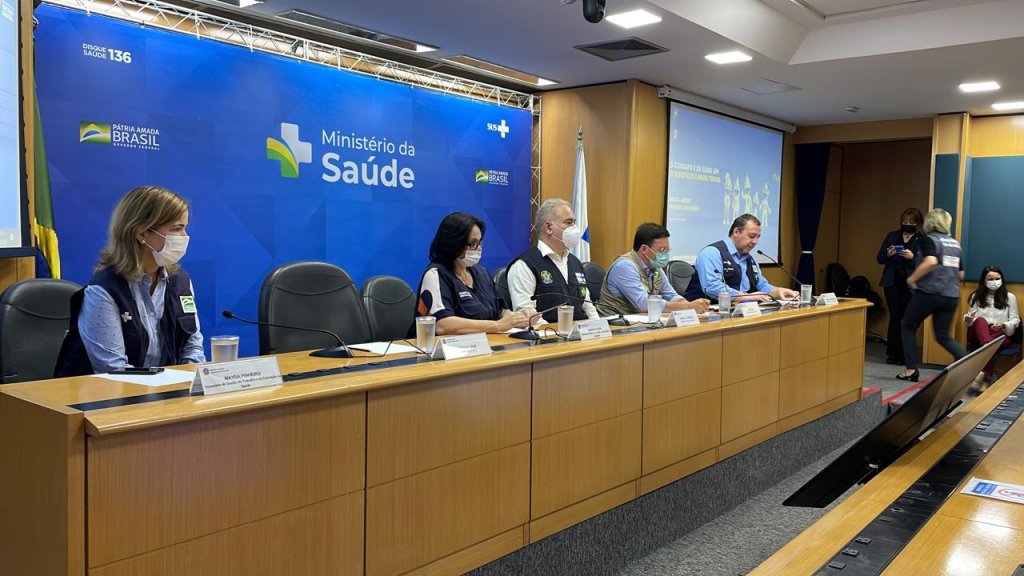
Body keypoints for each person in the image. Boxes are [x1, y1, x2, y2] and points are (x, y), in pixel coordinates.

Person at [56, 186, 205, 376]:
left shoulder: (180, 282)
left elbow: (192, 346)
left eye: (185, 228)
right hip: (109, 392)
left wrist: (191, 378)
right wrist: (165, 384)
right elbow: (113, 369)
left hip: (167, 388)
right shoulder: (103, 290)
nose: (184, 237)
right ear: (142, 234)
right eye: (177, 229)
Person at [416, 212, 532, 335]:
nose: (479, 248)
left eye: (480, 242)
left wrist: (518, 318)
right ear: (453, 243)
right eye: (473, 243)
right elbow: (442, 325)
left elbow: (501, 310)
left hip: (487, 343)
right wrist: (497, 325)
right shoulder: (436, 274)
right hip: (447, 345)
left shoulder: (482, 273)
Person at [897, 208, 967, 382]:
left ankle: (911, 369)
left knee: (908, 326)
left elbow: (931, 261)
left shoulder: (928, 240)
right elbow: (960, 274)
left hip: (929, 294)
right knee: (943, 336)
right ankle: (975, 370)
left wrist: (912, 279)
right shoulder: (955, 244)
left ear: (930, 222)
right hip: (951, 296)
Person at [506, 198, 599, 322]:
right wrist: (554, 332)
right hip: (547, 332)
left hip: (580, 331)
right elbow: (526, 313)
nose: (575, 228)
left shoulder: (575, 262)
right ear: (549, 227)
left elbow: (588, 306)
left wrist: (599, 328)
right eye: (569, 222)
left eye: (574, 222)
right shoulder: (524, 265)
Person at [596, 223, 710, 317]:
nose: (666, 254)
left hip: (639, 322)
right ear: (644, 249)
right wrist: (687, 307)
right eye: (662, 250)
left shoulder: (655, 268)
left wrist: (688, 304)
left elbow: (671, 295)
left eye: (667, 250)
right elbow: (644, 304)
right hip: (615, 325)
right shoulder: (625, 266)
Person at [686, 214, 800, 303]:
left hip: (742, 312)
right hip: (709, 313)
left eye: (758, 237)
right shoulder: (712, 253)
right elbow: (712, 287)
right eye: (752, 236)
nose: (755, 242)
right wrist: (746, 297)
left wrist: (778, 291)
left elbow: (761, 285)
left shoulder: (750, 259)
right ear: (736, 232)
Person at [876, 208, 924, 365]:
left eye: (911, 222)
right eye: (904, 221)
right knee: (895, 316)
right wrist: (888, 254)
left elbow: (926, 263)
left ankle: (905, 355)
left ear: (917, 223)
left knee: (906, 319)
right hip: (892, 281)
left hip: (910, 283)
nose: (907, 224)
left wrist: (913, 257)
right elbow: (880, 258)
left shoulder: (921, 239)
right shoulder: (892, 236)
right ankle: (892, 353)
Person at [964, 265, 1019, 386]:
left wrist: (1004, 325)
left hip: (999, 333)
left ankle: (983, 375)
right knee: (980, 320)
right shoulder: (976, 296)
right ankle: (985, 374)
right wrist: (968, 320)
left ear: (1002, 279)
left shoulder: (1010, 297)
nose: (994, 282)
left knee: (996, 339)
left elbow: (1015, 320)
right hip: (978, 333)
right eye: (990, 279)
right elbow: (971, 320)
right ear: (984, 281)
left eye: (997, 278)